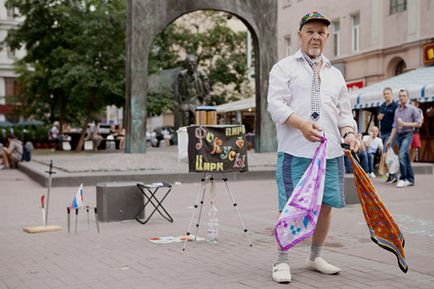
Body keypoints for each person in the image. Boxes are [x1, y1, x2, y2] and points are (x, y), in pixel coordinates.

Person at [267, 11, 358, 283]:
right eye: (310, 31)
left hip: (330, 153)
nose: (316, 36)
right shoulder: (284, 67)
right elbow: (276, 105)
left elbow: (344, 111)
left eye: (321, 32)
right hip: (295, 151)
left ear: (327, 36)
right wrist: (301, 125)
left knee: (327, 205)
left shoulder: (335, 73)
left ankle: (315, 255)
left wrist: (350, 133)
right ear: (300, 35)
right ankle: (281, 260)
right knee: (292, 207)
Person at [385, 89, 422, 188]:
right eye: (400, 96)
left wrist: (405, 124)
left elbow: (419, 123)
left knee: (401, 154)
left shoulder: (412, 109)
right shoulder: (397, 110)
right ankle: (410, 179)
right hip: (398, 135)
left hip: (408, 133)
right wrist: (390, 140)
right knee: (404, 156)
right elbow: (395, 126)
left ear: (407, 97)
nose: (401, 98)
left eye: (404, 96)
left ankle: (403, 178)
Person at [176, 55, 210, 127]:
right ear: (186, 65)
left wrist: (203, 106)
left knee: (198, 125)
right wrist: (179, 102)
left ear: (196, 64)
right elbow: (178, 91)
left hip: (197, 102)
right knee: (185, 126)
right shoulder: (181, 75)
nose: (191, 66)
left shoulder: (202, 75)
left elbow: (207, 94)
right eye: (189, 64)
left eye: (193, 63)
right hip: (186, 102)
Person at [378, 87, 399, 183]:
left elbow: (397, 119)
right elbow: (379, 117)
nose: (386, 95)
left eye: (388, 93)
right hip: (383, 132)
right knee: (389, 155)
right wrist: (379, 117)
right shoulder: (382, 106)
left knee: (386, 154)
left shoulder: (395, 106)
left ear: (391, 94)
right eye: (385, 94)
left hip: (391, 133)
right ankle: (392, 175)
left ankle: (392, 175)